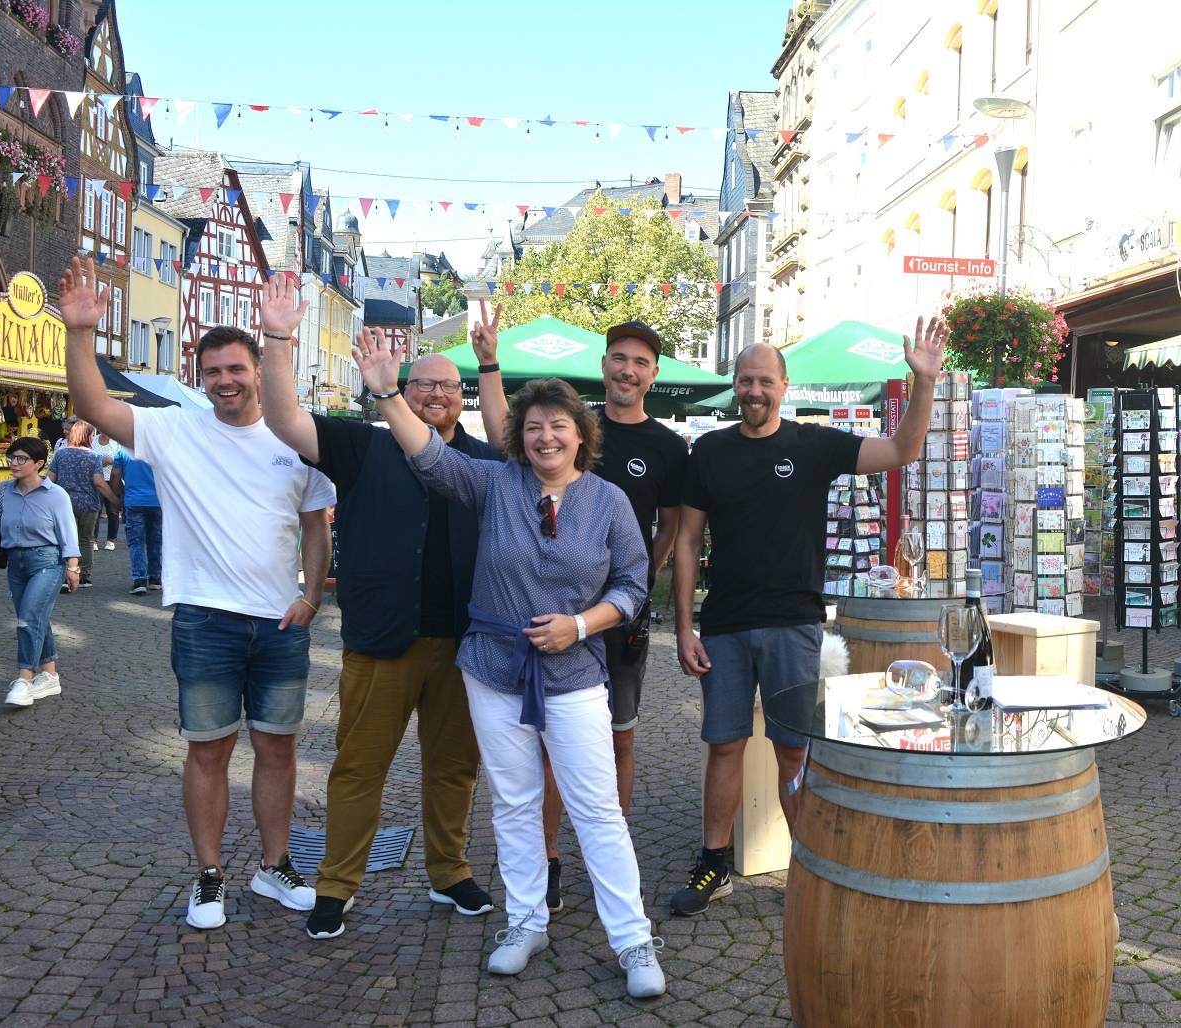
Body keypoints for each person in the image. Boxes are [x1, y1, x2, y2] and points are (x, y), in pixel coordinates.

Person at [352, 326, 666, 999]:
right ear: (517, 436)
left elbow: (633, 589)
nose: (545, 437)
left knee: (597, 808)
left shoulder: (607, 502)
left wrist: (579, 624)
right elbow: (430, 458)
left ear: (582, 435)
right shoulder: (495, 484)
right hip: (493, 668)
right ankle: (525, 923)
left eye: (558, 426)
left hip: (576, 676)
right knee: (517, 803)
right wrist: (385, 393)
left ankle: (634, 940)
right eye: (532, 428)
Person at [58, 256, 335, 932]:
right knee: (208, 751)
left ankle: (274, 866)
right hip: (206, 620)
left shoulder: (296, 440)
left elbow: (316, 524)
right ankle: (208, 875)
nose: (225, 382)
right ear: (198, 378)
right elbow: (93, 407)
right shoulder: (174, 430)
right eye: (212, 372)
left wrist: (311, 599)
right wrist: (80, 334)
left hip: (279, 623)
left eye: (236, 369)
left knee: (277, 749)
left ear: (258, 370)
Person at [668, 324, 948, 918]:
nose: (754, 390)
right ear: (735, 385)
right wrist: (685, 626)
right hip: (724, 625)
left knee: (794, 752)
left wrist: (924, 380)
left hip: (794, 622)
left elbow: (903, 450)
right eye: (745, 380)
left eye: (765, 380)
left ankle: (807, 862)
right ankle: (713, 862)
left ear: (784, 385)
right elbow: (688, 542)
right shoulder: (709, 452)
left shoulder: (813, 445)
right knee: (724, 745)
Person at [256, 275, 500, 941]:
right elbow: (282, 419)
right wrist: (277, 337)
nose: (436, 395)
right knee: (358, 769)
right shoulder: (365, 444)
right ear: (400, 388)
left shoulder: (482, 460)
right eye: (422, 384)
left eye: (448, 387)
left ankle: (449, 871)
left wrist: (491, 363)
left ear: (461, 397)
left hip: (463, 646)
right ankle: (337, 884)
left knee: (454, 769)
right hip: (381, 639)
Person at [473, 307, 687, 912]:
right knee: (542, 743)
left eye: (640, 362)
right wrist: (490, 362)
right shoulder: (565, 423)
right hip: (546, 622)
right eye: (619, 358)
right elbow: (502, 436)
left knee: (618, 740)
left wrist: (629, 589)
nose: (627, 369)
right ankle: (548, 861)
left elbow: (667, 531)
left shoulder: (666, 445)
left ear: (652, 374)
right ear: (604, 366)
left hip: (614, 620)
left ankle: (604, 853)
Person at [0, 437, 80, 707]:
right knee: (37, 618)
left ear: (39, 464)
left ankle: (24, 678)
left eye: (21, 458)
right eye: (12, 457)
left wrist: (73, 567)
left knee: (27, 618)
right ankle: (49, 675)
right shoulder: (3, 491)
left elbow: (68, 532)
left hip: (47, 562)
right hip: (16, 563)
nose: (14, 462)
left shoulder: (55, 494)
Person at [47, 420, 119, 589]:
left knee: (63, 539)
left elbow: (50, 480)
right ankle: (84, 576)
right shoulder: (94, 457)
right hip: (88, 504)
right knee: (86, 540)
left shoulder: (60, 454)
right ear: (88, 436)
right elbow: (99, 482)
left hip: (64, 504)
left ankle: (65, 574)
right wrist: (115, 500)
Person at [111, 447, 162, 595]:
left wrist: (116, 497)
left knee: (136, 541)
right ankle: (155, 577)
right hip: (157, 501)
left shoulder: (122, 450)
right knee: (156, 540)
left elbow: (115, 475)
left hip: (134, 500)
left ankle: (139, 579)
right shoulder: (157, 447)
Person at [90, 430, 120, 551]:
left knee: (112, 511)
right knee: (96, 510)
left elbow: (121, 459)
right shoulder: (93, 441)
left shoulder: (116, 443)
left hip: (112, 480)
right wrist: (101, 462)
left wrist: (112, 461)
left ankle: (111, 539)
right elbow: (88, 458)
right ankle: (93, 540)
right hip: (97, 480)